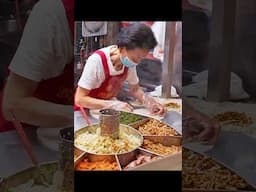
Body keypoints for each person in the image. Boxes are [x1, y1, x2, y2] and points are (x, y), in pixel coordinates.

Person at [1, 0, 74, 133]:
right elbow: (12, 105)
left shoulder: (119, 29)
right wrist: (81, 116)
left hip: (69, 133)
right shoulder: (51, 14)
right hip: (25, 134)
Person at [75, 23, 165, 116]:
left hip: (106, 112)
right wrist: (112, 104)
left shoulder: (129, 62)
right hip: (85, 113)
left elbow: (135, 89)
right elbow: (80, 99)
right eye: (135, 58)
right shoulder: (97, 61)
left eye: (141, 59)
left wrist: (149, 102)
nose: (137, 62)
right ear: (122, 49)